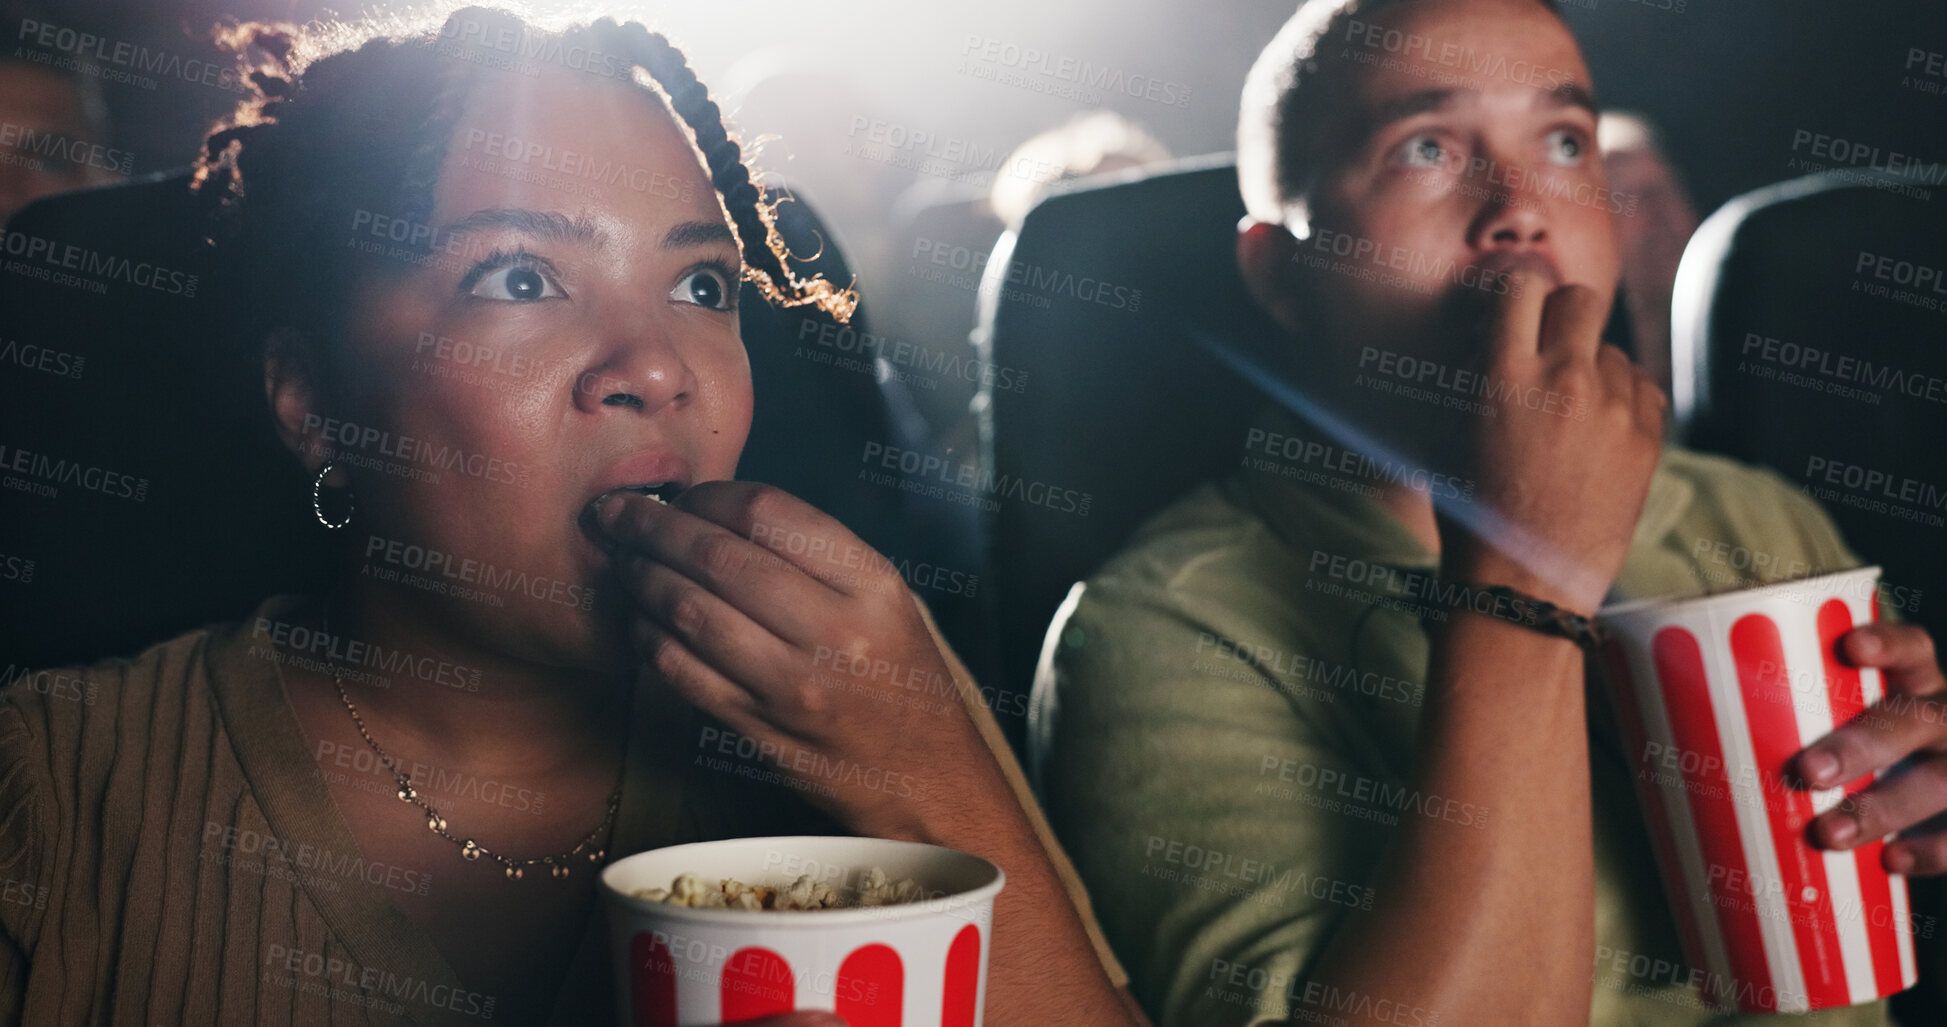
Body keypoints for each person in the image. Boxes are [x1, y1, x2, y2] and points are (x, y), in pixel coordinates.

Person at [0, 8, 1143, 1025]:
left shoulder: (885, 741)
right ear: (314, 403)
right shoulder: (49, 792)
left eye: (702, 287)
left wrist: (937, 776)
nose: (657, 366)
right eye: (520, 277)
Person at [1032, 1, 1947, 1025]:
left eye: (1564, 142)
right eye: (1425, 146)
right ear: (1280, 270)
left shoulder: (1753, 516)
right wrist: (1528, 580)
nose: (1520, 207)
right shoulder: (1158, 631)